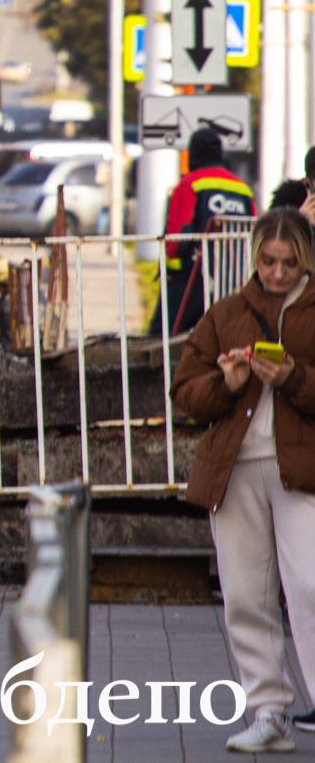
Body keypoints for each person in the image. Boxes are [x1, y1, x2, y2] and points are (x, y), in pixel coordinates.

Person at [171, 210, 315, 752]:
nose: (277, 274)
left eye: (288, 263)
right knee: (245, 594)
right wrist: (227, 381)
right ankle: (269, 711)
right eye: (267, 262)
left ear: (304, 258)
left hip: (302, 470)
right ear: (255, 257)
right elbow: (186, 392)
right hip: (234, 471)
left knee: (310, 586)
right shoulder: (227, 312)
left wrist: (292, 378)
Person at [161, 128, 255, 336]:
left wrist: (171, 273)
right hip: (236, 284)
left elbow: (176, 240)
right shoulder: (243, 190)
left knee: (160, 338)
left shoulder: (189, 184)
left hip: (194, 281)